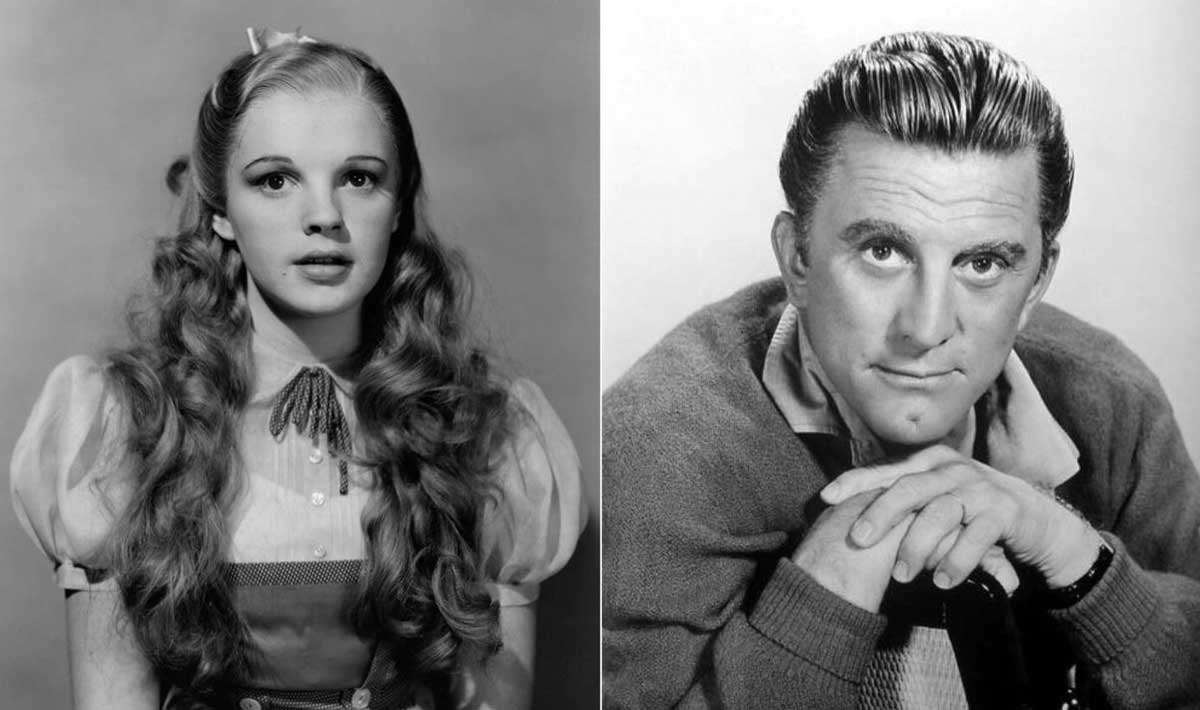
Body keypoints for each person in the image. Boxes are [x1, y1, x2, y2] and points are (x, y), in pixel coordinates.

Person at [603, 31, 1200, 709]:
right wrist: (823, 596)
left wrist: (1076, 557)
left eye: (983, 264)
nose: (926, 328)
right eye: (883, 251)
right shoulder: (656, 452)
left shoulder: (1114, 404)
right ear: (797, 259)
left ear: (1038, 280)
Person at [10, 28, 583, 710]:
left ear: (398, 204)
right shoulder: (125, 423)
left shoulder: (485, 431)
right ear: (220, 210)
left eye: (359, 178)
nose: (324, 217)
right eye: (275, 181)